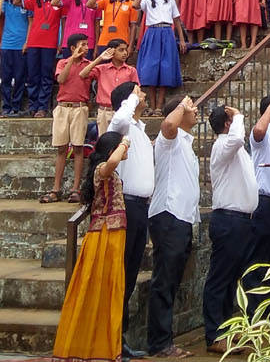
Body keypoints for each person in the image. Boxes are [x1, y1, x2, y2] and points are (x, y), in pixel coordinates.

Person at [52, 131, 129, 362]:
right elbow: (113, 161)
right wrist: (124, 143)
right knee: (97, 289)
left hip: (113, 235)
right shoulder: (102, 169)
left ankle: (105, 347)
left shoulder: (108, 170)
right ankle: (91, 347)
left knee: (111, 291)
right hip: (104, 235)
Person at [146, 96, 199, 361]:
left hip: (181, 217)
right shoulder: (170, 139)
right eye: (192, 108)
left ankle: (163, 339)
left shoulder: (186, 143)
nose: (196, 110)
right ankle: (159, 343)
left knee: (171, 281)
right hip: (168, 215)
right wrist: (181, 106)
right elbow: (167, 125)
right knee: (164, 282)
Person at [203, 105, 259, 353]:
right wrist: (238, 116)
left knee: (231, 279)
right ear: (227, 124)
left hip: (242, 219)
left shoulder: (234, 149)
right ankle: (214, 333)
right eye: (233, 120)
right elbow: (237, 137)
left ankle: (225, 328)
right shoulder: (223, 144)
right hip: (229, 219)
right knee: (220, 278)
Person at [107, 82, 154, 356]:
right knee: (120, 273)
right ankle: (113, 337)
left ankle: (120, 337)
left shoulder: (139, 129)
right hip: (127, 206)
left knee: (130, 274)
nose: (144, 96)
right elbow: (118, 119)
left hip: (141, 208)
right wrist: (132, 99)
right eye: (139, 93)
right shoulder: (122, 126)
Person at [244, 94, 270, 304]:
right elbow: (258, 132)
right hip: (266, 200)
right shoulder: (264, 133)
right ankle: (254, 311)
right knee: (260, 259)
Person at [41, 34, 92, 204]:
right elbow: (61, 79)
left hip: (79, 107)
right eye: (82, 45)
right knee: (61, 148)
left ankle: (75, 188)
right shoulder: (63, 63)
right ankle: (56, 188)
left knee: (78, 148)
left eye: (86, 45)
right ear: (73, 48)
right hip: (63, 107)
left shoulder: (88, 65)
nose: (86, 48)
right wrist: (72, 59)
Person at [136, 0, 185, 114]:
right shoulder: (146, 0)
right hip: (152, 32)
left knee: (165, 67)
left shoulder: (169, 0)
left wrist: (181, 39)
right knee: (151, 68)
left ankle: (158, 107)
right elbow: (135, 5)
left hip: (167, 32)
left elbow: (176, 20)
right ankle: (151, 106)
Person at [21, 0, 62, 119]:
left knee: (46, 76)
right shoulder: (36, 0)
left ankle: (43, 107)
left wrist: (60, 43)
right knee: (33, 75)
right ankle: (33, 106)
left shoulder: (59, 1)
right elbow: (17, 1)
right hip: (33, 43)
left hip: (49, 44)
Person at [83, 39, 138, 136]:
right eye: (121, 50)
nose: (125, 53)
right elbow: (83, 74)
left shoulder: (131, 70)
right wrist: (100, 58)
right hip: (105, 111)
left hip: (124, 111)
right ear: (111, 51)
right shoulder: (101, 69)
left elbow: (136, 91)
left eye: (126, 50)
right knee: (105, 144)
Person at [0, 0, 30, 117]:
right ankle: (6, 106)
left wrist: (27, 42)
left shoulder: (26, 0)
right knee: (5, 77)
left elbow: (31, 23)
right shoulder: (4, 2)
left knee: (20, 77)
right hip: (6, 44)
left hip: (21, 44)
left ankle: (16, 106)